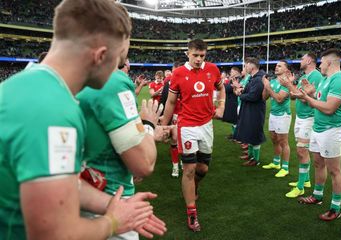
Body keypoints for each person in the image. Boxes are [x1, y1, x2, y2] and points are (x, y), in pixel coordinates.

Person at [0, 0, 157, 239]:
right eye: (118, 59)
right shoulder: (54, 111)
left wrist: (114, 206)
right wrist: (113, 222)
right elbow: (53, 234)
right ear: (101, 56)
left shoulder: (19, 86)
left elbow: (59, 181)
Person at [77, 54, 169, 239]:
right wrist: (149, 127)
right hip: (111, 193)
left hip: (85, 194)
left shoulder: (25, 85)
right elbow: (144, 164)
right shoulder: (111, 79)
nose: (127, 62)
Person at [161, 39, 225, 232]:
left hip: (206, 125)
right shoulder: (178, 73)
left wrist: (221, 106)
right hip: (186, 126)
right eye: (195, 55)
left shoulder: (213, 70)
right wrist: (164, 125)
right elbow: (171, 102)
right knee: (188, 169)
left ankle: (194, 187)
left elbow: (221, 88)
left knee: (203, 169)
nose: (198, 59)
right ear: (188, 53)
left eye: (202, 56)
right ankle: (191, 213)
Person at [293, 49, 341, 221]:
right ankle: (317, 196)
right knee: (318, 163)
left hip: (331, 130)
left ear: (330, 63)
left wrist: (307, 97)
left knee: (334, 170)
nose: (320, 66)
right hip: (318, 128)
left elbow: (329, 108)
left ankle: (335, 208)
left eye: (322, 63)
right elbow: (320, 100)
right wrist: (310, 93)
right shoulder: (325, 79)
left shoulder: (340, 79)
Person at [279, 53, 324, 198]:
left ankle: (300, 187)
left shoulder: (315, 76)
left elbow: (304, 98)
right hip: (301, 117)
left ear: (310, 60)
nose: (300, 61)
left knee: (301, 151)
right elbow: (293, 96)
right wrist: (290, 85)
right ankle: (306, 181)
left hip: (309, 118)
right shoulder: (305, 76)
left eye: (302, 59)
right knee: (301, 151)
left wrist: (289, 85)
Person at [262, 60, 292, 178]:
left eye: (280, 66)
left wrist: (268, 87)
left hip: (283, 115)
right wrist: (266, 86)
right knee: (274, 139)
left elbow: (279, 99)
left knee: (283, 141)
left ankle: (285, 168)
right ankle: (276, 162)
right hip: (273, 114)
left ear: (286, 70)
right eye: (276, 66)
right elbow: (264, 97)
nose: (276, 67)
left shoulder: (286, 83)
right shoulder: (273, 81)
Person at [235, 57, 266, 166]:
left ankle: (255, 160)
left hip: (255, 111)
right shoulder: (254, 78)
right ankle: (251, 154)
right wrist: (243, 90)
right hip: (251, 110)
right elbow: (250, 92)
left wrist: (240, 95)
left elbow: (253, 96)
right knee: (250, 133)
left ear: (252, 66)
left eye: (246, 65)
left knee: (255, 135)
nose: (245, 67)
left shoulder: (258, 79)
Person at [222, 67, 240, 140]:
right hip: (231, 101)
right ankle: (234, 135)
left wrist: (227, 86)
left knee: (235, 120)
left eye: (232, 71)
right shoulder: (232, 79)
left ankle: (236, 136)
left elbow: (226, 88)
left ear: (236, 72)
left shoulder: (237, 79)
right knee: (233, 121)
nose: (230, 73)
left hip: (234, 102)